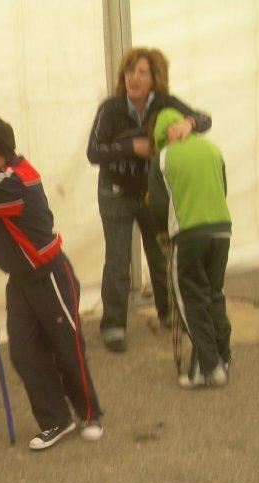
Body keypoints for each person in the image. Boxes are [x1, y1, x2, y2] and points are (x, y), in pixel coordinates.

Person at [0, 113, 103, 451]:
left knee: (68, 348)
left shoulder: (17, 182)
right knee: (24, 353)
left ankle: (90, 414)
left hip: (50, 277)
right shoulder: (0, 178)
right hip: (20, 281)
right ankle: (56, 420)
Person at [87, 47, 212, 352]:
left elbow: (204, 118)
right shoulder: (111, 108)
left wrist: (188, 124)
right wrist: (131, 147)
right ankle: (113, 325)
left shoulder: (166, 103)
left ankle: (168, 314)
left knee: (159, 256)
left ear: (156, 77)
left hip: (151, 194)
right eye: (130, 71)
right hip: (115, 193)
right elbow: (94, 152)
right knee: (118, 261)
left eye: (142, 72)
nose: (134, 78)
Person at [148, 108, 232, 389]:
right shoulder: (213, 149)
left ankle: (210, 367)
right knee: (214, 294)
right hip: (222, 229)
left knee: (189, 300)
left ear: (162, 136)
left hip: (188, 235)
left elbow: (159, 206)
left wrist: (163, 233)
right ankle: (221, 358)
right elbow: (223, 188)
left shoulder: (163, 158)